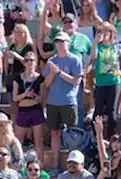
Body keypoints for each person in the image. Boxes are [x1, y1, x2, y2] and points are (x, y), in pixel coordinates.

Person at [43, 32, 84, 171]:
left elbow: (75, 81)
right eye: (58, 41)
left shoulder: (75, 60)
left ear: (68, 42)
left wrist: (59, 73)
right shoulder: (51, 61)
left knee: (72, 134)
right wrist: (53, 73)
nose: (60, 44)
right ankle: (55, 164)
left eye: (63, 41)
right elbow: (47, 84)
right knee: (54, 133)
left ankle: (73, 164)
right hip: (53, 101)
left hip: (69, 101)